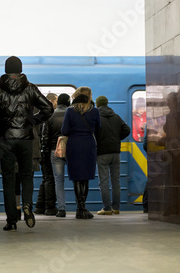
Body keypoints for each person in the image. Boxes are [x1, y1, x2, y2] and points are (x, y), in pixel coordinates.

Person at [0, 56, 54, 231]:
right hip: (26, 138)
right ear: (20, 69)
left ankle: (11, 220)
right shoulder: (30, 88)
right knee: (27, 175)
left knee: (8, 179)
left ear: (6, 70)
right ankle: (27, 204)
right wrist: (33, 121)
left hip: (6, 139)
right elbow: (48, 108)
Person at [61, 87, 100, 219]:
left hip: (74, 145)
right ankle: (83, 209)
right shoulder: (95, 111)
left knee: (77, 177)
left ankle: (80, 208)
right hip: (89, 144)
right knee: (85, 178)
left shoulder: (70, 111)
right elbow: (98, 129)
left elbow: (64, 130)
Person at [94, 96, 131, 215]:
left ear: (97, 104)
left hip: (102, 153)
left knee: (103, 181)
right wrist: (116, 139)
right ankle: (116, 208)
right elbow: (127, 130)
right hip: (115, 152)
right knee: (116, 181)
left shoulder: (96, 118)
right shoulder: (116, 116)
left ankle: (107, 208)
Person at [42, 93, 70, 217]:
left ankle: (62, 209)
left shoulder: (50, 115)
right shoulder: (72, 114)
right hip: (71, 150)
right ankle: (81, 206)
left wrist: (45, 151)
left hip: (54, 151)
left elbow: (45, 136)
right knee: (77, 179)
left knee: (58, 181)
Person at [34, 93, 58, 216]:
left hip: (39, 149)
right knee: (49, 178)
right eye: (55, 101)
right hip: (44, 149)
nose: (56, 104)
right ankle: (49, 207)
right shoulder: (45, 115)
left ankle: (39, 206)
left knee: (46, 178)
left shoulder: (37, 113)